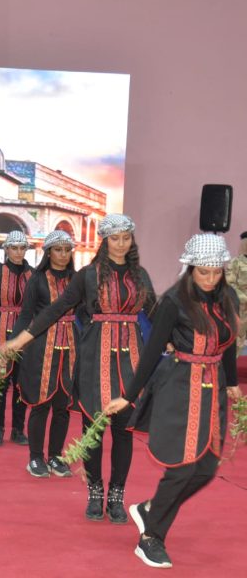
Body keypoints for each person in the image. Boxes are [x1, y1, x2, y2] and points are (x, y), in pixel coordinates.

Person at [0, 214, 155, 522]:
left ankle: (116, 496)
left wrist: (179, 341)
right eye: (115, 238)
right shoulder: (88, 275)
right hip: (94, 358)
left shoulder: (141, 275)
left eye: (126, 238)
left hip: (130, 361)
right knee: (92, 428)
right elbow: (57, 309)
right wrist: (22, 339)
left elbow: (157, 313)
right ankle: (95, 493)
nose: (121, 244)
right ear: (105, 241)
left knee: (123, 431)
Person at [105, 233, 241, 569]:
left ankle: (150, 508)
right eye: (204, 272)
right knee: (183, 467)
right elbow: (152, 353)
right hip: (179, 388)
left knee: (206, 469)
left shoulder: (228, 298)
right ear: (191, 268)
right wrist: (128, 396)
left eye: (217, 272)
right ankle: (151, 538)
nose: (211, 278)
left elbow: (227, 344)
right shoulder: (173, 302)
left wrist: (232, 383)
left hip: (214, 389)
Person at [13, 230, 78, 477]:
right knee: (40, 405)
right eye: (58, 250)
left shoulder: (77, 279)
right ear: (48, 252)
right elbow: (26, 315)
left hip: (70, 351)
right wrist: (15, 343)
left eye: (67, 250)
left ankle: (56, 457)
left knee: (62, 407)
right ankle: (35, 458)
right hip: (41, 349)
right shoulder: (37, 279)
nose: (63, 254)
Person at [0, 230, 33, 446]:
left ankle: (18, 429)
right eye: (14, 248)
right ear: (6, 250)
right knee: (0, 383)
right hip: (1, 331)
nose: (18, 252)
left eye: (22, 248)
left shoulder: (34, 275)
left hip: (26, 336)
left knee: (22, 385)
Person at [226, 230, 247, 355]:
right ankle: (231, 364)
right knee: (238, 339)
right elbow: (229, 284)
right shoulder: (236, 262)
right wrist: (244, 298)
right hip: (241, 308)